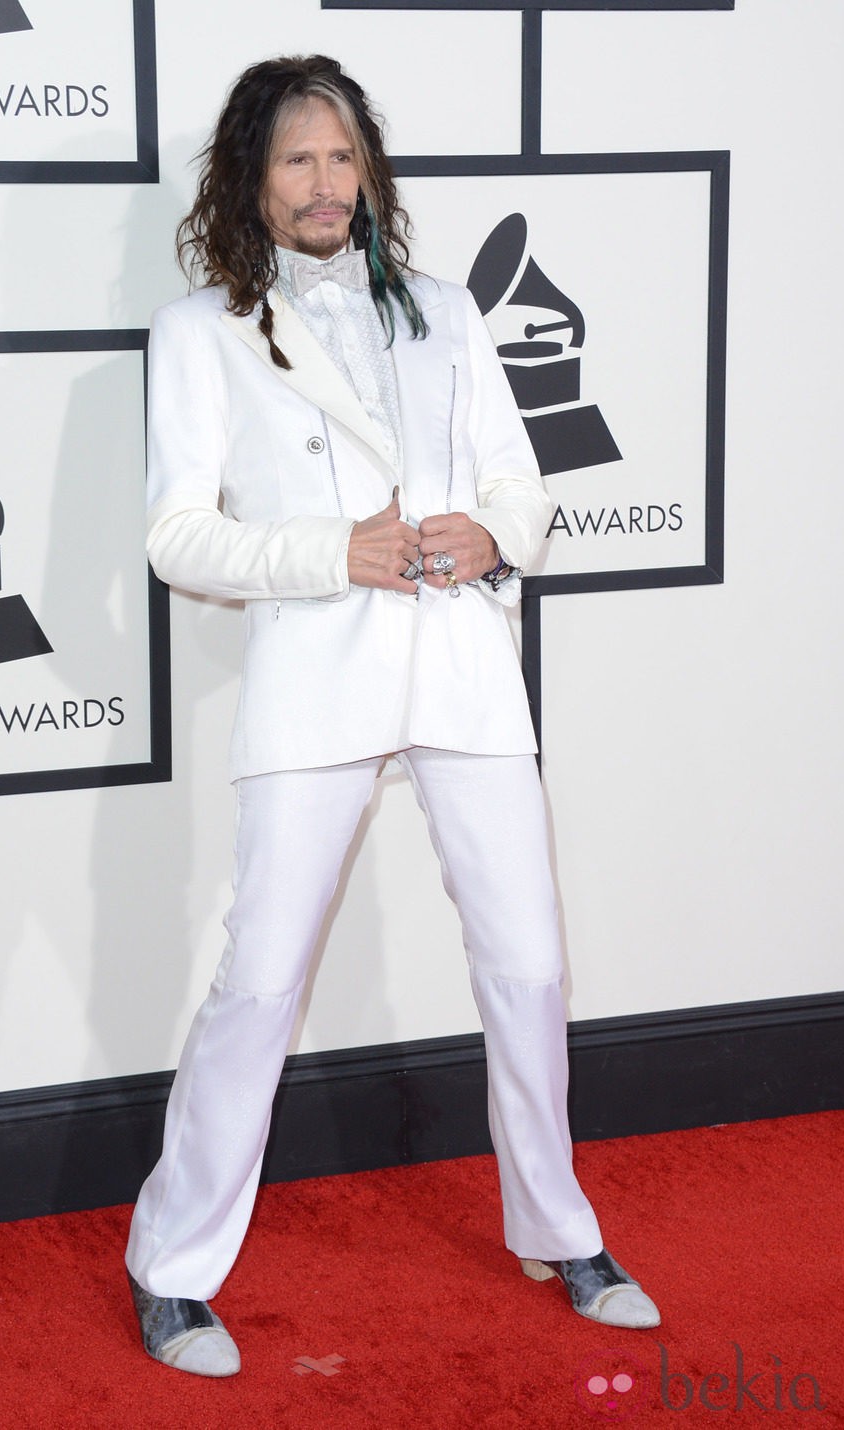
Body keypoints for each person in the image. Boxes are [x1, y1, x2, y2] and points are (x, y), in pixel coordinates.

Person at [125, 54, 659, 1378]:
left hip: (464, 667)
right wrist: (328, 553)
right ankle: (172, 1264)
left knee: (530, 965)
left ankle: (556, 1222)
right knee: (259, 983)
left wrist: (490, 530)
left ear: (368, 173)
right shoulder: (200, 332)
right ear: (253, 181)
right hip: (320, 669)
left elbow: (525, 489)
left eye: (341, 157)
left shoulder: (441, 306)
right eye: (296, 159)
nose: (323, 183)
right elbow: (176, 540)